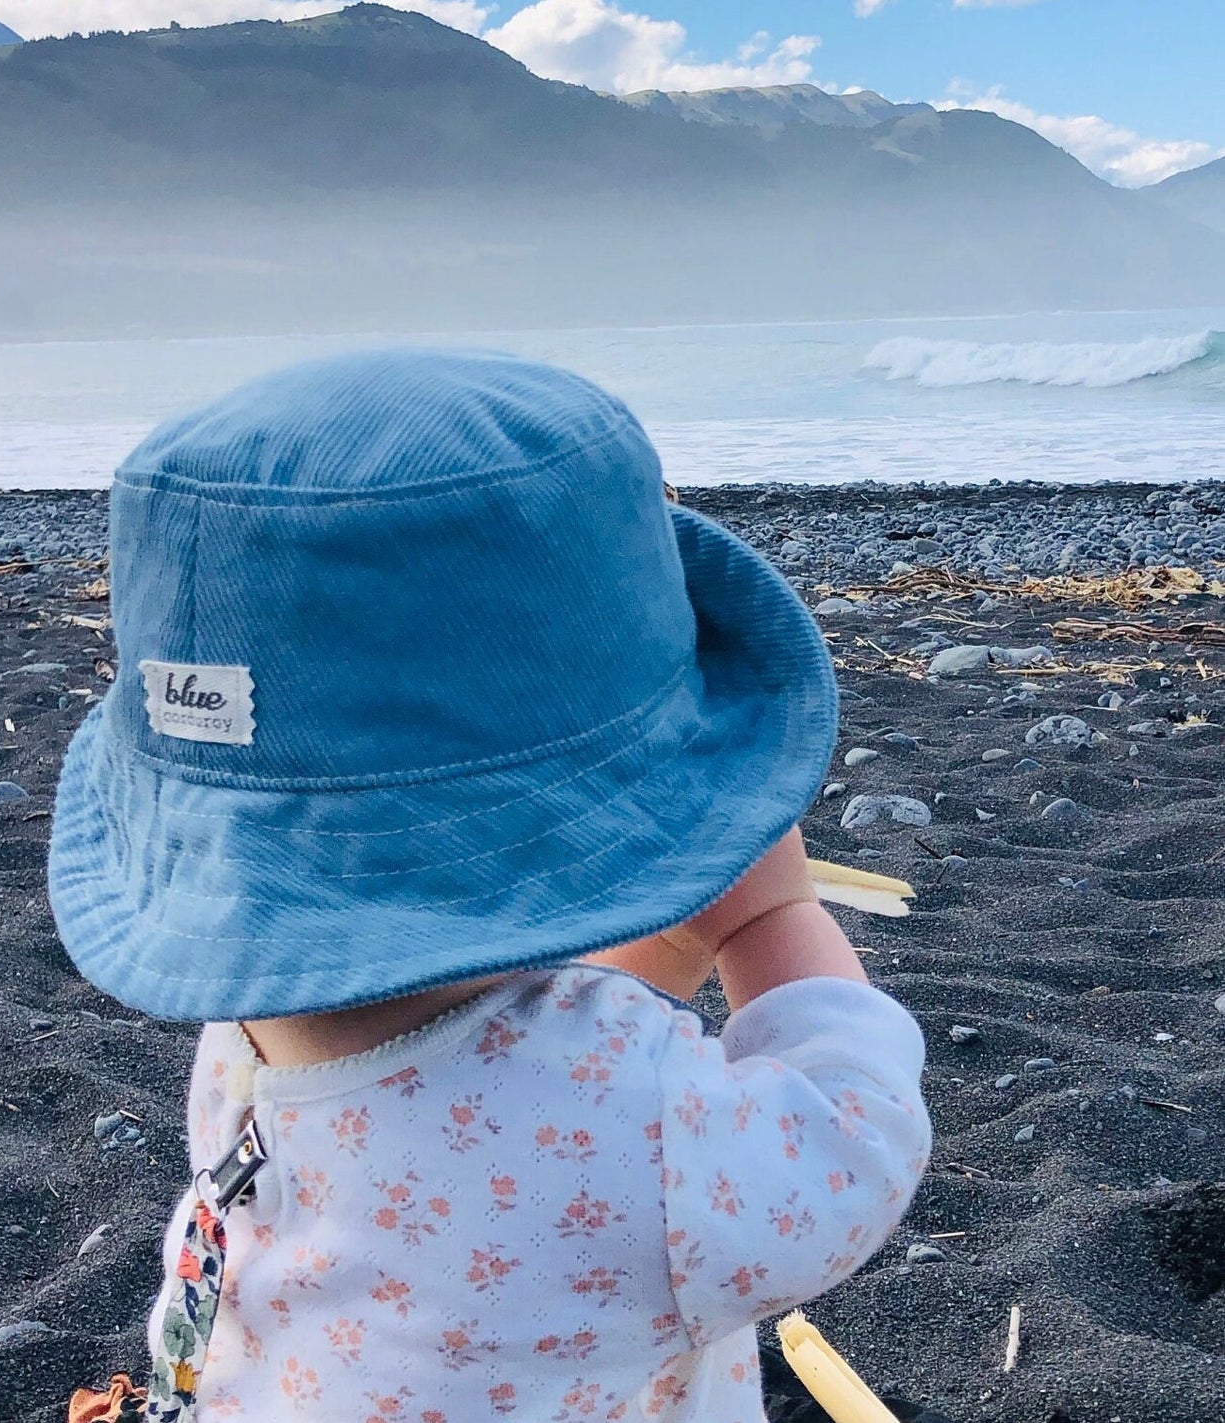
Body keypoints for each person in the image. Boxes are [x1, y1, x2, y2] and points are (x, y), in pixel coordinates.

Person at [49, 349, 930, 1422]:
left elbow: (500, 1085)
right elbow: (854, 1137)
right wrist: (767, 916)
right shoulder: (650, 1131)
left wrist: (659, 953)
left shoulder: (243, 1039)